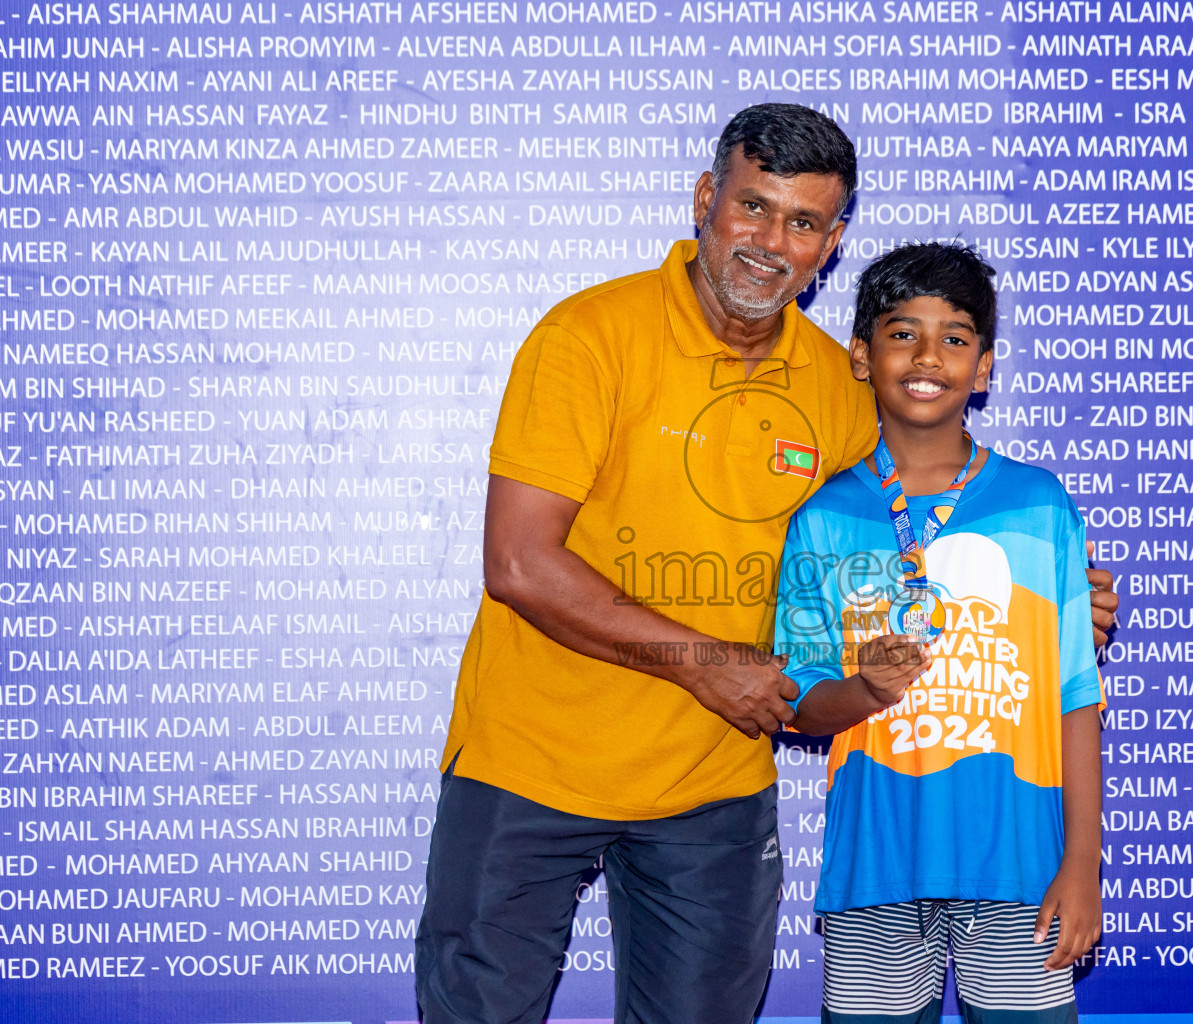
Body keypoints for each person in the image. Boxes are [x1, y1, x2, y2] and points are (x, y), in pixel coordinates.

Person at [416, 104, 1118, 1024]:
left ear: (831, 241)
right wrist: (706, 661)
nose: (770, 242)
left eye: (803, 222)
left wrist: (1052, 599)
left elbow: (905, 527)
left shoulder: (841, 381)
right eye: (753, 208)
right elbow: (517, 563)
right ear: (707, 199)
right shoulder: (589, 336)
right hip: (533, 763)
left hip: (715, 787)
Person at [776, 242, 1102, 1024]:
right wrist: (862, 690)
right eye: (902, 332)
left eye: (955, 338)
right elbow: (797, 700)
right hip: (876, 866)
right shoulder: (824, 515)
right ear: (861, 355)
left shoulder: (1038, 504)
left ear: (984, 367)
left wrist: (1083, 862)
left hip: (1021, 865)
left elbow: (1075, 695)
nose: (928, 356)